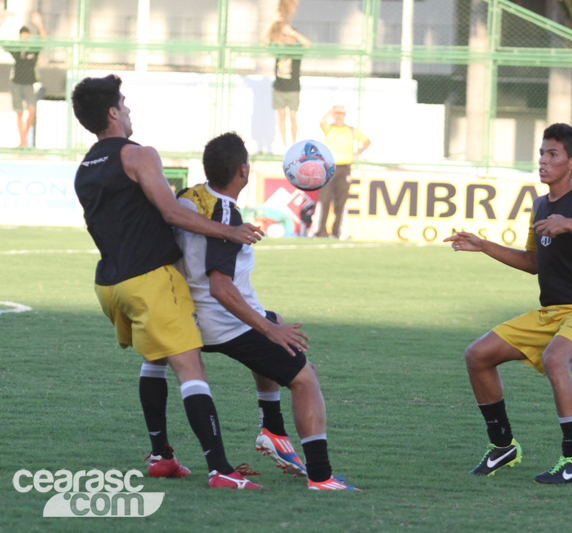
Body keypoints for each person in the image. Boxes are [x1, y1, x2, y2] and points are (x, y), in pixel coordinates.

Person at [71, 74, 265, 490]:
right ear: (112, 113)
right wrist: (229, 231)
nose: (129, 110)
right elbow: (171, 213)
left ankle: (162, 457)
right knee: (190, 367)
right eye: (124, 103)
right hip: (151, 279)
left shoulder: (83, 169)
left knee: (154, 358)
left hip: (110, 285)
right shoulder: (139, 155)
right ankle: (221, 470)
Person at [173, 131, 360, 490]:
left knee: (273, 318)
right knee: (305, 377)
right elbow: (220, 287)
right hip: (223, 322)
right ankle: (321, 477)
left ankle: (272, 429)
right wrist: (268, 330)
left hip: (190, 315)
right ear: (243, 171)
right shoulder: (227, 217)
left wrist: (269, 323)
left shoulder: (188, 198)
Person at [445, 123, 572, 484]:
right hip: (552, 312)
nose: (542, 160)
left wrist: (570, 225)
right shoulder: (541, 205)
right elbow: (532, 262)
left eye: (552, 154)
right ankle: (503, 446)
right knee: (477, 355)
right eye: (542, 153)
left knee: (555, 358)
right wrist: (484, 245)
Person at [316, 105, 370, 238]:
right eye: (337, 113)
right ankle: (320, 231)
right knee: (324, 200)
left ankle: (337, 231)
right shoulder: (329, 128)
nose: (339, 116)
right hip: (329, 167)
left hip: (344, 167)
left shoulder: (351, 130)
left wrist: (358, 153)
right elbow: (322, 122)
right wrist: (331, 111)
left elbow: (366, 141)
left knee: (341, 201)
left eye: (341, 113)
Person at [261, 18, 311, 150]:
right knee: (281, 117)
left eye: (289, 36)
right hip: (279, 89)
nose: (287, 38)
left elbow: (307, 44)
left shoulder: (297, 50)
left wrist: (293, 33)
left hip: (293, 89)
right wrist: (272, 23)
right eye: (285, 36)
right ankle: (285, 146)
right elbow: (264, 40)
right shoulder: (279, 49)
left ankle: (294, 143)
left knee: (293, 117)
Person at [5, 12, 46, 147]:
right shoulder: (16, 50)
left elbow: (44, 41)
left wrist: (39, 24)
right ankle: (23, 141)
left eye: (27, 37)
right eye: (22, 37)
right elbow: (3, 43)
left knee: (31, 110)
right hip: (16, 84)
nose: (25, 39)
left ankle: (24, 136)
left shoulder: (33, 49)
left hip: (29, 84)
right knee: (19, 113)